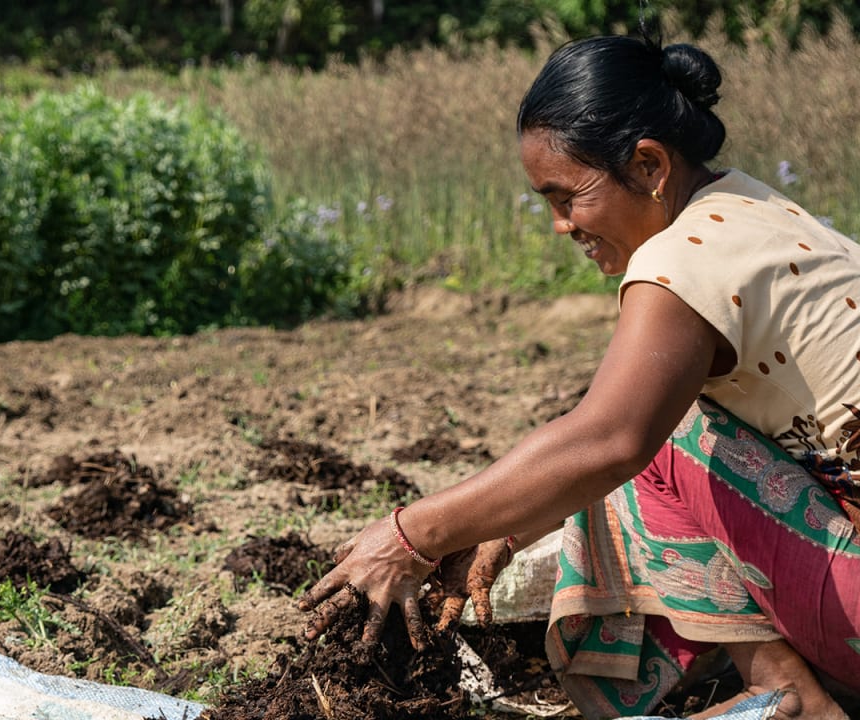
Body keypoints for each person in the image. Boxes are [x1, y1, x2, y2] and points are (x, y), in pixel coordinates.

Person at [297, 31, 860, 720]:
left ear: (649, 166)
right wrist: (505, 528)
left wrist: (409, 534)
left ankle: (790, 701)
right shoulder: (753, 209)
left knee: (666, 434)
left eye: (569, 198)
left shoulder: (686, 260)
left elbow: (608, 440)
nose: (562, 226)